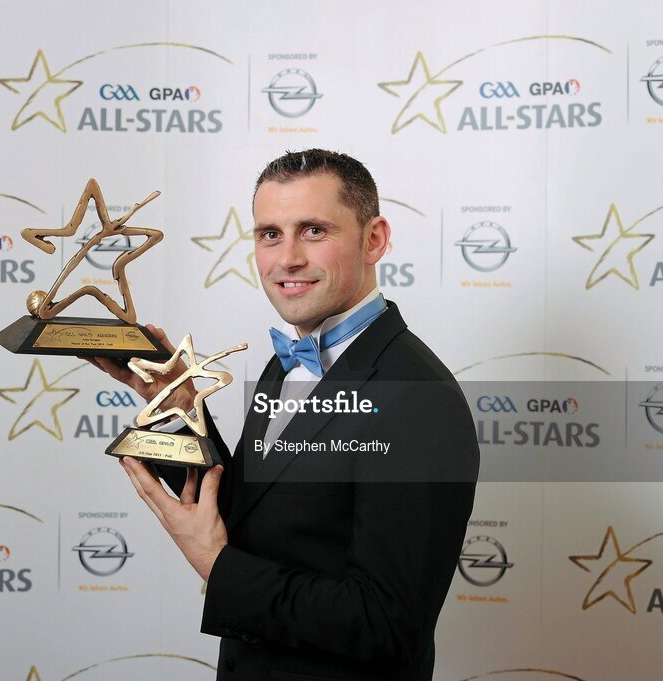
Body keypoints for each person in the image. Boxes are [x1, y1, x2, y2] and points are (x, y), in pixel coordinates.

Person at [86, 149, 479, 681]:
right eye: (270, 234)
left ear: (375, 240)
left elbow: (388, 626)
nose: (286, 258)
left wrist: (218, 568)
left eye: (313, 230)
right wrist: (176, 408)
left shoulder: (416, 397)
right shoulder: (284, 362)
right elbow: (258, 517)